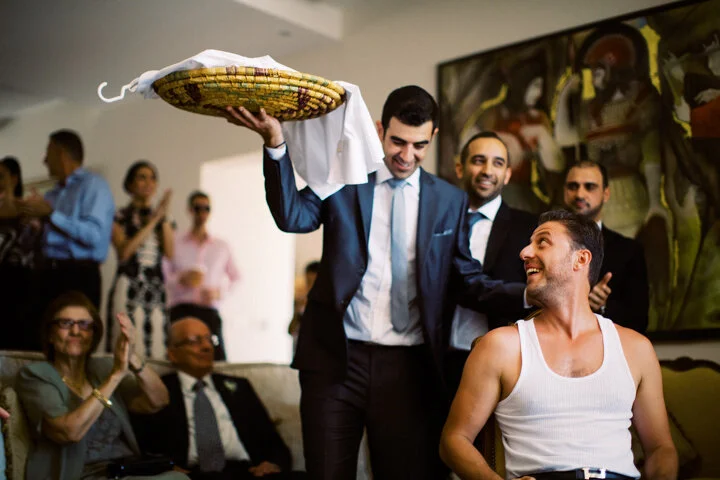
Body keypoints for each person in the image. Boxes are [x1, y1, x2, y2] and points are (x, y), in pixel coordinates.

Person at [225, 85, 526, 479]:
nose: (406, 155)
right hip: (335, 361)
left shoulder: (449, 201)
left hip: (407, 369)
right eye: (397, 141)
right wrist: (275, 143)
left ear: (433, 137)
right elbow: (293, 217)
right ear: (381, 129)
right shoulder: (345, 177)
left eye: (419, 145)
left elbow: (468, 279)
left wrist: (530, 295)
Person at [440, 210, 678, 480]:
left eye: (542, 242)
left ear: (581, 259)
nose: (524, 252)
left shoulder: (635, 348)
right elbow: (454, 440)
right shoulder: (501, 346)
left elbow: (661, 449)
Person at [16, 291, 186, 480]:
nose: (75, 331)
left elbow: (159, 400)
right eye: (65, 323)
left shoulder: (102, 368)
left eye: (84, 325)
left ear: (94, 335)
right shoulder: (35, 375)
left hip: (122, 471)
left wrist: (132, 356)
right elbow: (68, 433)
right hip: (78, 475)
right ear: (50, 334)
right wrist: (115, 376)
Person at [134, 317, 303, 480]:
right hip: (190, 475)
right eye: (195, 341)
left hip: (247, 473)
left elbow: (273, 441)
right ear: (172, 353)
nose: (207, 346)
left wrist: (272, 464)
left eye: (210, 340)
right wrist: (166, 468)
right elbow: (143, 443)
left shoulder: (240, 387)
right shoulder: (158, 390)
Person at [447, 132, 537, 395]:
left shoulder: (529, 228)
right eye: (479, 160)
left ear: (507, 174)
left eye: (497, 163)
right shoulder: (440, 219)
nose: (487, 171)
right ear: (460, 168)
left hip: (503, 361)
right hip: (439, 357)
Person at [18, 129, 115, 350]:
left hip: (79, 276)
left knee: (75, 346)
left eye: (48, 153)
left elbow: (93, 236)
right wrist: (33, 227)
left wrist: (51, 214)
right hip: (46, 274)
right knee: (40, 343)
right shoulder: (52, 194)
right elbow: (33, 243)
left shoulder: (94, 185)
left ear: (61, 154)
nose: (44, 160)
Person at [563, 161, 649, 332]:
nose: (580, 194)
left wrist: (603, 307)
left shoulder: (629, 251)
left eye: (590, 187)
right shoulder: (539, 245)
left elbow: (639, 320)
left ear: (606, 193)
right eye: (573, 186)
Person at [107, 160, 174, 359]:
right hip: (128, 285)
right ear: (130, 184)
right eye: (142, 177)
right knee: (126, 343)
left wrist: (163, 217)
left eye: (152, 178)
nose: (148, 183)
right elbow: (124, 252)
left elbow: (170, 253)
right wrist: (153, 221)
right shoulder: (119, 216)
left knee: (157, 344)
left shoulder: (163, 219)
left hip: (156, 288)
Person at [164, 191, 240, 361]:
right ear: (190, 210)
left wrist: (219, 293)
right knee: (179, 358)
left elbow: (236, 277)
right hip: (181, 310)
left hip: (209, 310)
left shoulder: (221, 246)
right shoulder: (175, 242)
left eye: (206, 208)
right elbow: (164, 274)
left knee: (217, 359)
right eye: (198, 208)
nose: (202, 213)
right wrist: (180, 279)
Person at [0, 156, 43, 350]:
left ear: (14, 179)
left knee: (19, 340)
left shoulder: (28, 210)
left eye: (1, 176)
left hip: (22, 284)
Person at [287, 260, 319, 350]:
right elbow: (291, 331)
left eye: (314, 282)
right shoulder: (301, 302)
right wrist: (298, 310)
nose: (310, 287)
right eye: (308, 282)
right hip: (301, 350)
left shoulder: (327, 304)